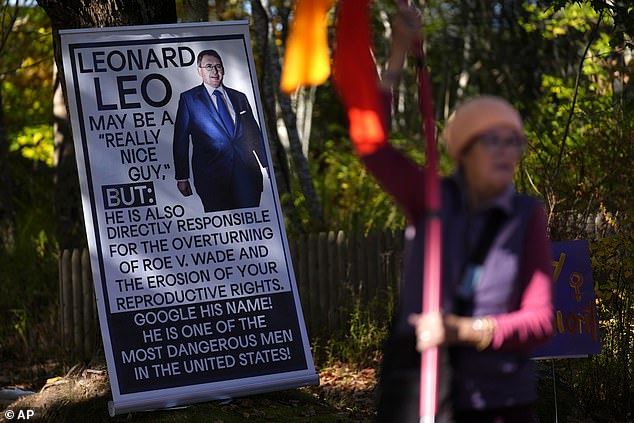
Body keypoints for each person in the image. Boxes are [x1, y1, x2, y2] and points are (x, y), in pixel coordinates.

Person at [333, 5, 554, 423]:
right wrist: (398, 52)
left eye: (514, 142)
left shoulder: (526, 214)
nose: (507, 151)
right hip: (422, 392)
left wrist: (465, 330)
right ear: (463, 151)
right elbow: (369, 141)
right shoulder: (430, 197)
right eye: (493, 140)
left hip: (500, 399)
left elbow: (540, 320)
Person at [173, 49, 268, 212]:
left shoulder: (240, 97)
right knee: (224, 230)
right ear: (199, 70)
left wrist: (268, 166)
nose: (214, 71)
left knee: (252, 229)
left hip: (247, 176)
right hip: (211, 179)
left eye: (218, 66)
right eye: (208, 66)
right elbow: (180, 140)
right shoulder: (189, 100)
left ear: (223, 70)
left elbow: (254, 133)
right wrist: (182, 177)